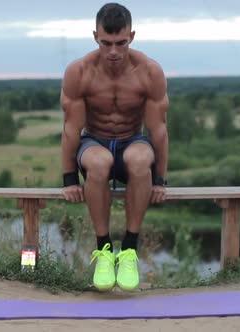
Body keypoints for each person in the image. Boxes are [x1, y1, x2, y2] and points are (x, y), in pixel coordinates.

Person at [60, 3, 169, 291]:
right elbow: (71, 127)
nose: (113, 51)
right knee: (98, 163)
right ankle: (105, 250)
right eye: (106, 43)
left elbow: (158, 129)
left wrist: (160, 180)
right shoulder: (79, 71)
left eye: (120, 43)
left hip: (132, 139)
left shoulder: (149, 71)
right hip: (94, 141)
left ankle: (129, 249)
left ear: (131, 36)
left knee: (141, 158)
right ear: (95, 35)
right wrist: (69, 179)